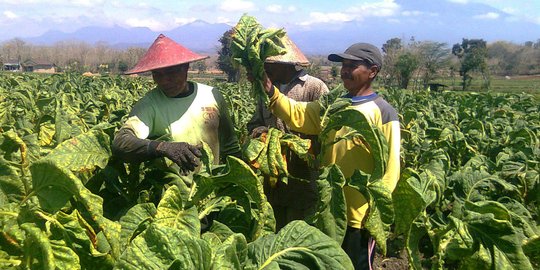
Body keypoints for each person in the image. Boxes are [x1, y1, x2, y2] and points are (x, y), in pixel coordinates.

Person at [256, 42, 401, 269]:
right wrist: (270, 90)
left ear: (372, 71)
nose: (344, 70)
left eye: (352, 66)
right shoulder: (333, 104)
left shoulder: (383, 112)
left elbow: (391, 169)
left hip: (359, 214)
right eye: (343, 65)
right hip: (327, 208)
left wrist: (374, 213)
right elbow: (299, 114)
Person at [112, 34, 241, 176]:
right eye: (157, 74)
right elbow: (121, 141)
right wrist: (162, 147)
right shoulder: (149, 104)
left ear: (185, 68)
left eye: (171, 72)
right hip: (172, 194)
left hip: (209, 191)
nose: (164, 81)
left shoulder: (212, 95)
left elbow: (230, 146)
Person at [246, 35, 329, 231]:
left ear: (288, 64)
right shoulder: (264, 89)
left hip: (304, 175)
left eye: (269, 65)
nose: (264, 70)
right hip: (273, 174)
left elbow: (326, 129)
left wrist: (299, 144)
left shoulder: (314, 87)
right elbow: (254, 122)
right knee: (273, 224)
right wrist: (260, 132)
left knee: (299, 226)